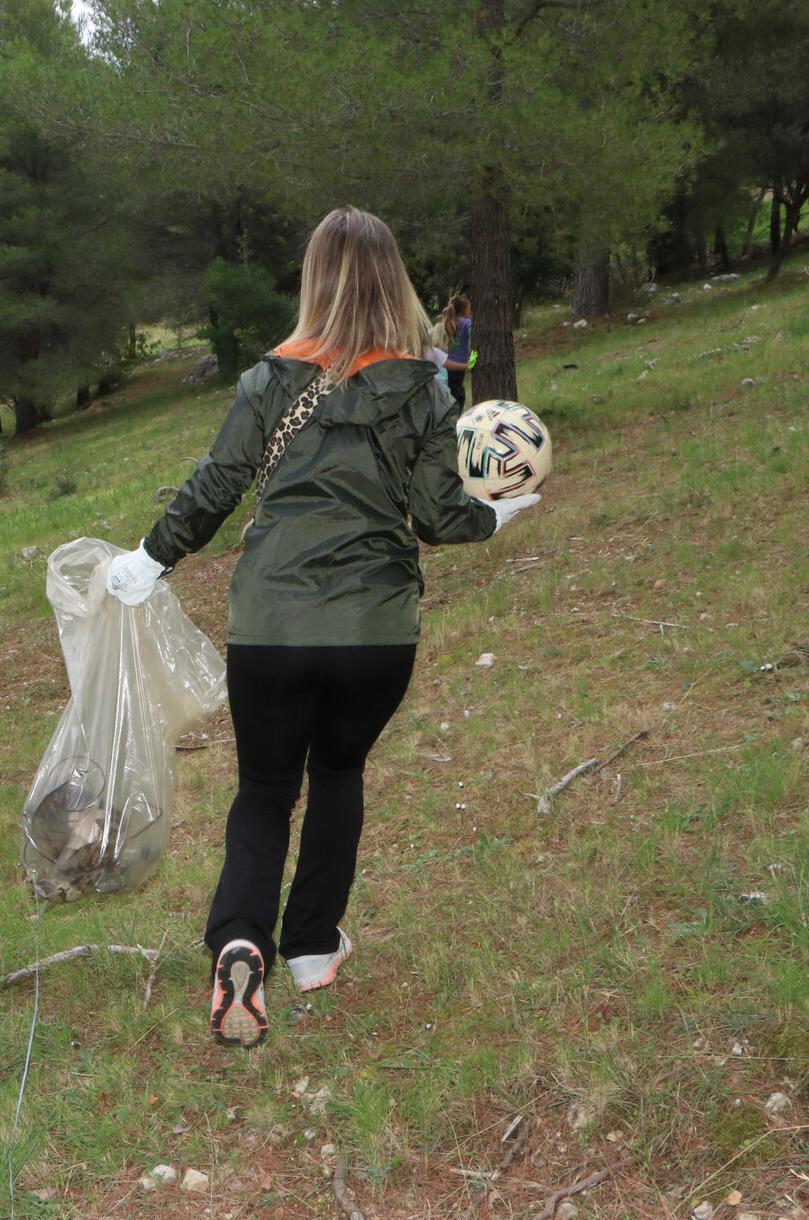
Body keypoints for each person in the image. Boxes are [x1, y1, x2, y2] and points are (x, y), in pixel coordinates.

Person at [104, 207, 539, 1048]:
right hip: (377, 635)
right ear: (394, 283)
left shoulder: (269, 378)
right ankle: (310, 948)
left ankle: (240, 938)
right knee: (338, 775)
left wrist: (150, 560)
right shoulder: (424, 384)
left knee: (265, 789)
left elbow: (217, 482)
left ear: (314, 281)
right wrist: (498, 516)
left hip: (270, 627)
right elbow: (438, 518)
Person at [439, 294, 474, 411]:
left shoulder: (447, 322)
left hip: (447, 366)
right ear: (465, 310)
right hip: (458, 368)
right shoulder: (467, 324)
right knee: (453, 398)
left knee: (460, 395)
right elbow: (474, 334)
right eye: (469, 308)